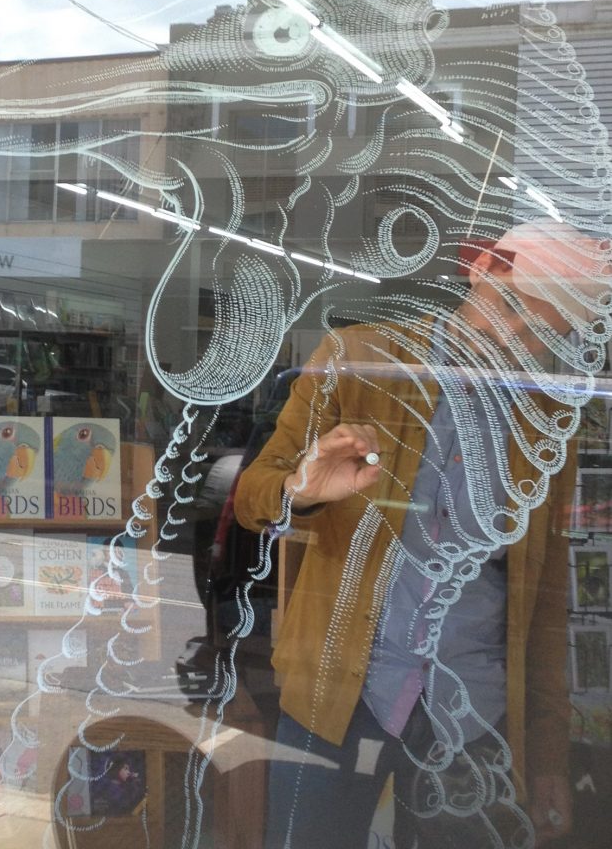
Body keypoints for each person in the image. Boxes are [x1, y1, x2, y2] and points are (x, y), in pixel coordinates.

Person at [234, 220, 610, 849]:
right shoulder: (357, 361)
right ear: (481, 269)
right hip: (335, 693)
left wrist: (546, 757)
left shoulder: (548, 424)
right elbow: (252, 498)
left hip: (472, 709)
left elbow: (542, 604)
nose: (510, 334)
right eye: (510, 303)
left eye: (544, 329)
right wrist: (300, 489)